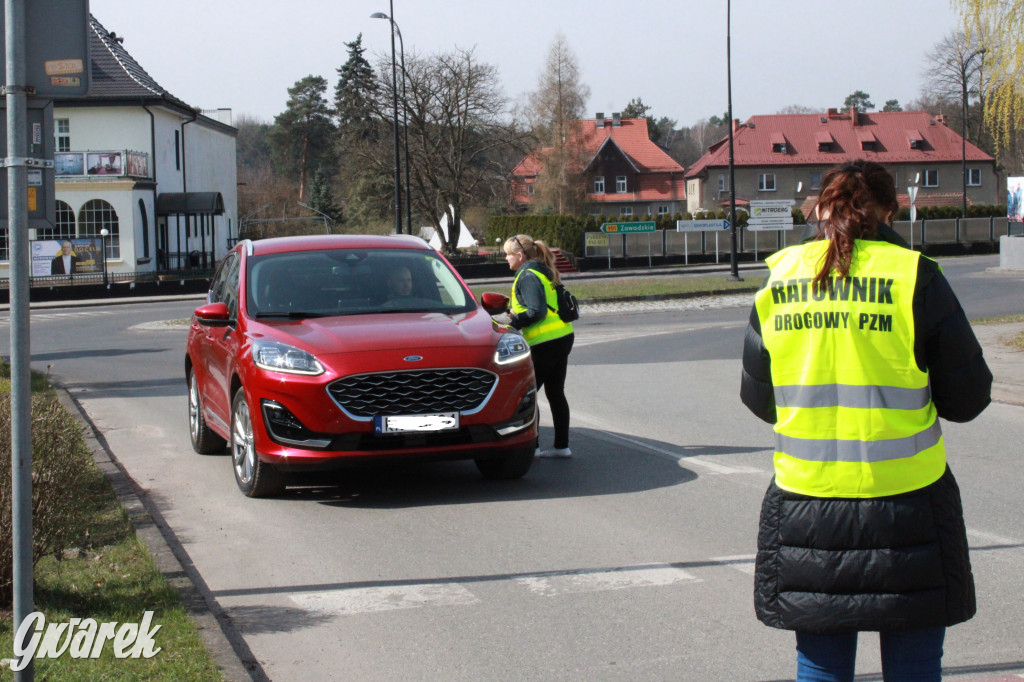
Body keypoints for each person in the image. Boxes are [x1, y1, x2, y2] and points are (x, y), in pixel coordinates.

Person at [739, 160, 992, 681]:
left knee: (821, 666)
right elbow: (968, 397)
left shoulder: (781, 277)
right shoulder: (914, 276)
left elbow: (759, 398)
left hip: (808, 504)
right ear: (891, 209)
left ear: (817, 209)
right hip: (909, 503)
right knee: (915, 665)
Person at [503, 234, 574, 458]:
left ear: (520, 256)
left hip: (545, 342)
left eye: (508, 254)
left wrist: (512, 324)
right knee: (555, 393)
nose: (506, 258)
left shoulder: (527, 275)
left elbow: (536, 311)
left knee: (528, 396)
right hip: (561, 336)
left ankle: (532, 448)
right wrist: (517, 312)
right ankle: (562, 447)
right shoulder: (542, 271)